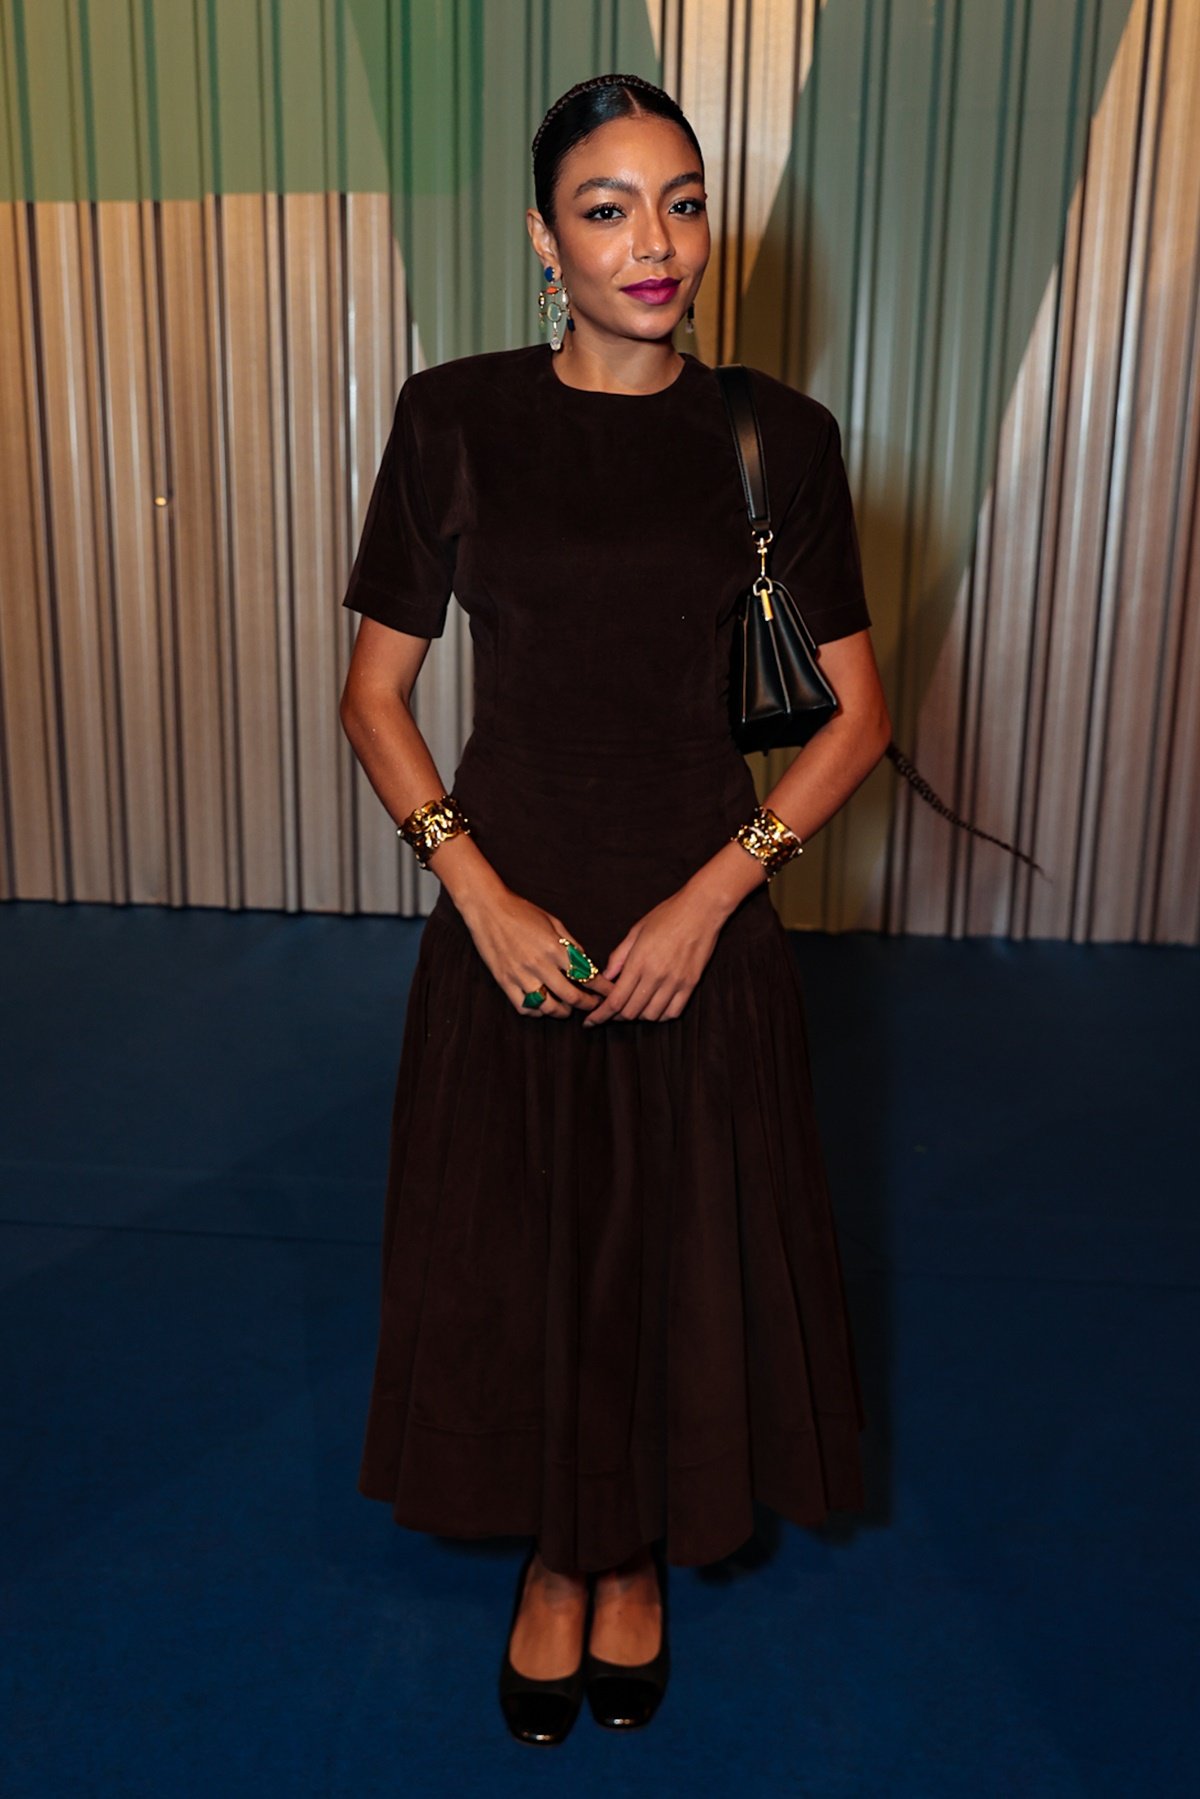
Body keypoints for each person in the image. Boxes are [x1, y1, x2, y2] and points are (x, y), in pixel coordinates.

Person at [338, 72, 892, 1747]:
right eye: (607, 207)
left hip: (695, 923)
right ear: (543, 238)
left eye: (683, 200)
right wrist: (482, 897)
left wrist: (714, 902)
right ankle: (553, 1554)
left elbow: (855, 720)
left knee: (668, 1259)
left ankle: (631, 1551)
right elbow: (374, 697)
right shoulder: (453, 418)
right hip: (510, 917)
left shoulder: (777, 440)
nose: (655, 241)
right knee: (524, 1260)